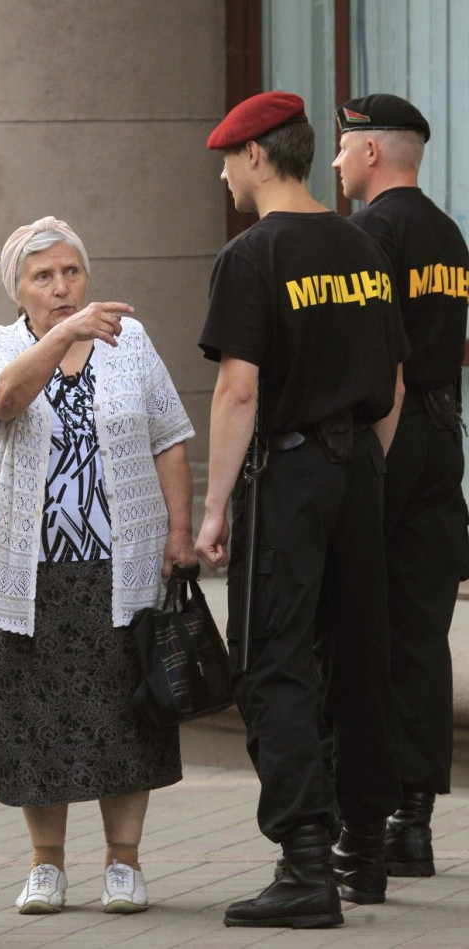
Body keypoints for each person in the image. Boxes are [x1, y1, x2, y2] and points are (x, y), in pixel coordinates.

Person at [194, 91, 408, 927]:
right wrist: (354, 467)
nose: (221, 173)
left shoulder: (253, 254)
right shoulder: (362, 246)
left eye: (226, 158)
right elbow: (391, 388)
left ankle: (305, 863)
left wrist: (214, 509)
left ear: (256, 157)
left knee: (270, 658)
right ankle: (365, 842)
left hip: (287, 478)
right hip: (359, 470)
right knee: (358, 651)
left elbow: (238, 390)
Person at [0, 215, 197, 916]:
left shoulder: (131, 344)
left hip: (120, 563)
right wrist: (64, 337)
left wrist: (179, 530)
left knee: (126, 715)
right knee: (35, 717)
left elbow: (171, 438)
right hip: (29, 573)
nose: (63, 287)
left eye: (72, 272)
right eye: (44, 276)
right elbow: (5, 402)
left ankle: (124, 863)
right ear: (19, 287)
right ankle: (46, 866)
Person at [333, 94, 469, 877]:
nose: (339, 162)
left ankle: (367, 814)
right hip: (443, 437)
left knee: (360, 627)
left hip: (389, 432)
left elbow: (368, 349)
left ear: (373, 153)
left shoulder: (370, 234)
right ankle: (414, 821)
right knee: (421, 635)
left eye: (346, 147)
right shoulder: (448, 233)